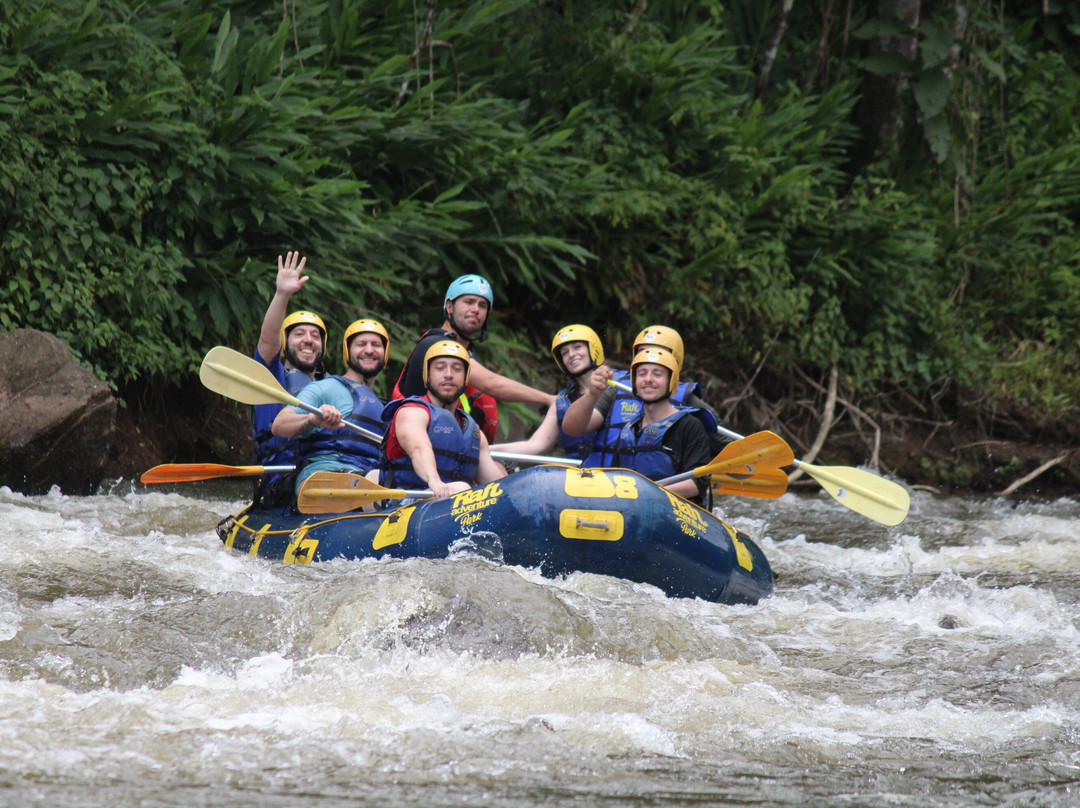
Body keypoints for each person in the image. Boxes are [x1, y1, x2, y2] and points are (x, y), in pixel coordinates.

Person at [392, 274, 555, 443]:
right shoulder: (434, 344)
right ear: (449, 307)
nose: (476, 309)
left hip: (453, 446)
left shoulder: (469, 353)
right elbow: (492, 384)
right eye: (469, 302)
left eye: (482, 305)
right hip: (418, 444)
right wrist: (548, 399)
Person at [561, 324, 724, 466]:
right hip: (607, 484)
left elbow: (724, 445)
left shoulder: (687, 400)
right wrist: (592, 394)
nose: (648, 358)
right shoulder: (615, 389)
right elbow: (573, 429)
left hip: (659, 488)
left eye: (657, 353)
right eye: (642, 352)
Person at [570, 349, 713, 504]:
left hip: (676, 514)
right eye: (642, 374)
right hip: (636, 509)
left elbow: (697, 483)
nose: (648, 379)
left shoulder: (690, 426)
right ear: (634, 382)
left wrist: (647, 494)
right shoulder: (629, 430)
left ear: (671, 381)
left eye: (657, 374)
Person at [271, 319, 389, 495]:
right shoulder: (326, 388)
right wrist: (312, 419)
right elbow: (279, 425)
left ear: (385, 353)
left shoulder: (385, 409)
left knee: (389, 479)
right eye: (361, 344)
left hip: (369, 479)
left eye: (376, 345)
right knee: (379, 481)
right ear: (347, 352)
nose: (369, 350)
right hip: (323, 476)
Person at [381, 340, 506, 500]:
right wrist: (434, 481)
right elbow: (419, 448)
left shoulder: (474, 433)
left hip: (452, 510)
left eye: (457, 369)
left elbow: (496, 485)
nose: (448, 374)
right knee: (462, 488)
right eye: (440, 368)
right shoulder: (412, 412)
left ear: (466, 377)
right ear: (427, 376)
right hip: (401, 507)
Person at [250, 252, 326, 506]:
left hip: (322, 477)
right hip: (278, 485)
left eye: (315, 336)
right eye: (299, 334)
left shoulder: (330, 387)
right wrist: (282, 295)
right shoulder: (271, 376)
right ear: (285, 342)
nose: (308, 340)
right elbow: (268, 339)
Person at [491, 324, 624, 461]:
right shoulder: (561, 401)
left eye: (577, 347)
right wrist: (486, 449)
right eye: (565, 353)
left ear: (593, 348)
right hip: (578, 476)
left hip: (617, 474)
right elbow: (535, 445)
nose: (571, 354)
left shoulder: (622, 384)